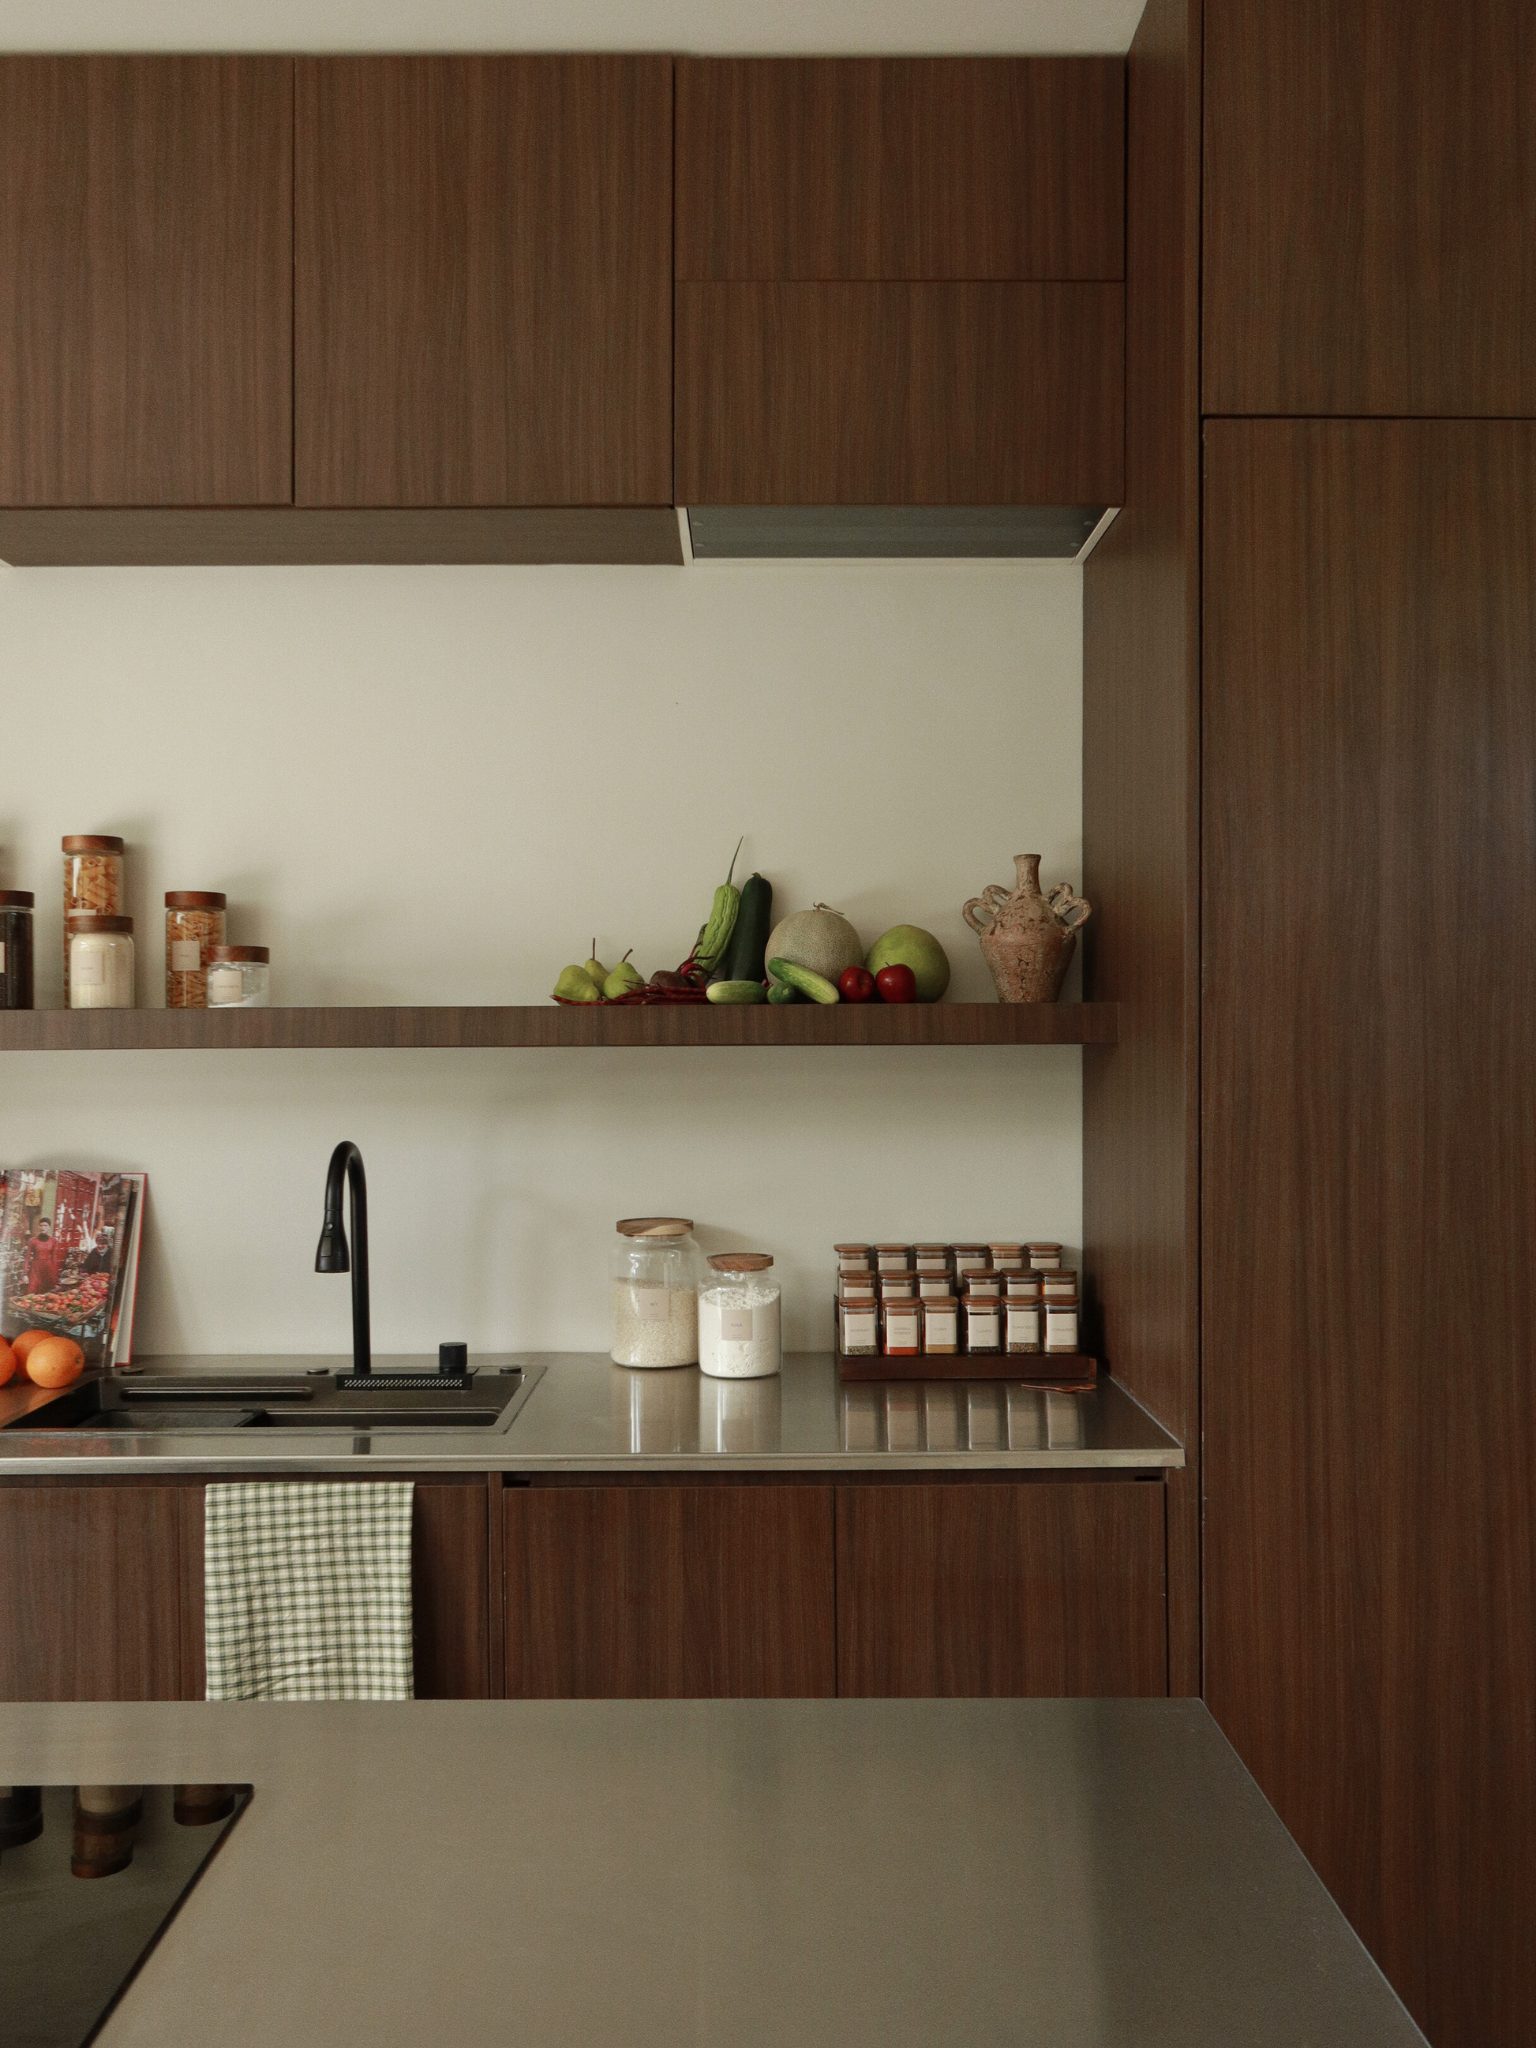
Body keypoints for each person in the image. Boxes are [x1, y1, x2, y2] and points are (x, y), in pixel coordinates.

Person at [25, 1220, 66, 1298]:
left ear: (49, 1228)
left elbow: (54, 1258)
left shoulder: (53, 1241)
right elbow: (27, 1258)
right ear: (38, 1227)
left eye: (45, 1225)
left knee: (47, 1293)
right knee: (32, 1292)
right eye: (41, 1225)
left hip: (48, 1268)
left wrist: (55, 1275)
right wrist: (25, 1274)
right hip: (35, 1268)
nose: (43, 1227)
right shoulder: (33, 1241)